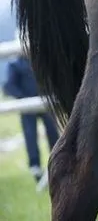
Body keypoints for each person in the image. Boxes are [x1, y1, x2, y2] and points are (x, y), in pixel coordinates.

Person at [2, 52, 60, 183]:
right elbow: (8, 86)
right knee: (30, 135)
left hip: (45, 102)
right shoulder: (15, 64)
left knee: (52, 132)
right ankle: (35, 167)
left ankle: (58, 161)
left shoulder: (42, 60)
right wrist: (23, 98)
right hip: (27, 106)